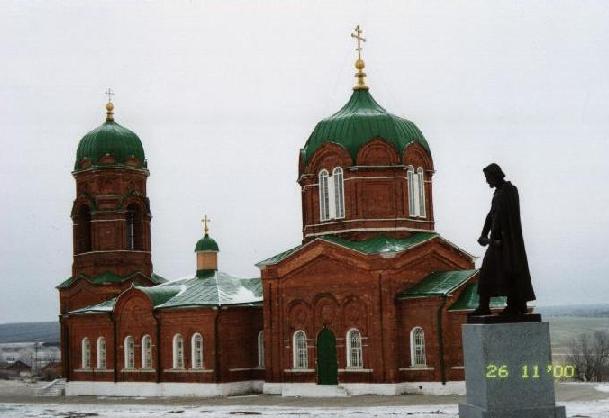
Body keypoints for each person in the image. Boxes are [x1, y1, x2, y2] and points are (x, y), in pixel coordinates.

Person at [472, 163, 536, 316]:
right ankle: (484, 306)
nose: (487, 181)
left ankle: (515, 305)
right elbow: (491, 215)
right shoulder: (498, 193)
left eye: (488, 178)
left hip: (507, 244)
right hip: (496, 242)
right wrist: (484, 234)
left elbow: (509, 219)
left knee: (510, 272)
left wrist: (501, 241)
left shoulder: (509, 191)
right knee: (486, 273)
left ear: (495, 176)